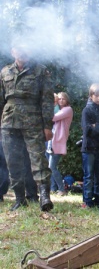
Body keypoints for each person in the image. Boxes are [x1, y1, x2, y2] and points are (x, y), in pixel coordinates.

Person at [0, 46, 54, 212]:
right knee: (12, 161)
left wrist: (47, 126)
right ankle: (19, 198)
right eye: (18, 48)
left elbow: (47, 101)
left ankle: (44, 197)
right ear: (13, 51)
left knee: (38, 158)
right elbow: (1, 100)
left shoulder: (40, 71)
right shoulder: (5, 72)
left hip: (33, 121)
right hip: (9, 122)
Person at [48, 92, 73, 196]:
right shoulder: (60, 109)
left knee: (52, 167)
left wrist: (53, 105)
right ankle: (53, 188)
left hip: (58, 141)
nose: (61, 100)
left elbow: (53, 117)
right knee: (51, 166)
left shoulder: (68, 109)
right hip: (53, 140)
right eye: (59, 99)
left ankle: (62, 189)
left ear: (67, 100)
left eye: (63, 99)